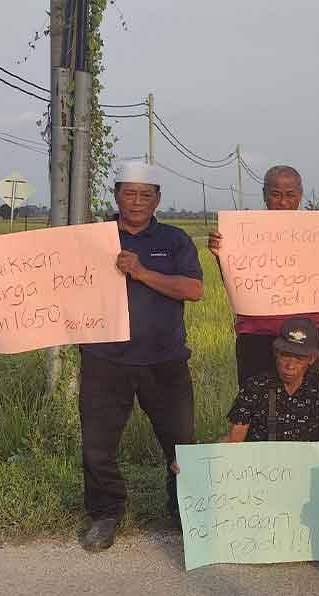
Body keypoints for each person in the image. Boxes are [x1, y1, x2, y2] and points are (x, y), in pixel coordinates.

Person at [78, 161, 204, 552]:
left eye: (145, 194)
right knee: (98, 445)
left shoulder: (175, 239)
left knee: (180, 442)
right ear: (116, 195)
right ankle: (105, 514)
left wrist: (142, 272)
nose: (136, 201)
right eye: (128, 193)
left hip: (164, 359)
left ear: (158, 199)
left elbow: (195, 290)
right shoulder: (91, 239)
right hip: (104, 358)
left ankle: (185, 511)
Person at [172, 318, 319, 537]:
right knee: (195, 478)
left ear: (312, 358)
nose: (290, 364)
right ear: (275, 353)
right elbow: (234, 439)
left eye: (299, 357)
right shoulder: (255, 386)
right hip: (263, 475)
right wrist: (194, 459)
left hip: (307, 475)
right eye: (285, 355)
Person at [206, 165, 319, 387]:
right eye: (275, 194)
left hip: (304, 332)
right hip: (256, 331)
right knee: (255, 402)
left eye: (290, 195)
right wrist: (221, 254)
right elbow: (235, 282)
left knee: (306, 400)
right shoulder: (244, 232)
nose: (283, 202)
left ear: (301, 195)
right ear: (264, 195)